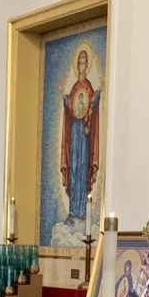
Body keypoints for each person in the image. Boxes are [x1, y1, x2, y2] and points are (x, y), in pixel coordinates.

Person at [60, 47, 101, 223]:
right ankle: (72, 210)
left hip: (84, 135)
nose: (82, 66)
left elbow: (91, 106)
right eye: (80, 63)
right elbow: (70, 107)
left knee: (83, 167)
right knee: (74, 168)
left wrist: (97, 96)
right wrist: (63, 96)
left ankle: (82, 211)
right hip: (74, 132)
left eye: (84, 63)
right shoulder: (76, 87)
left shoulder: (88, 87)